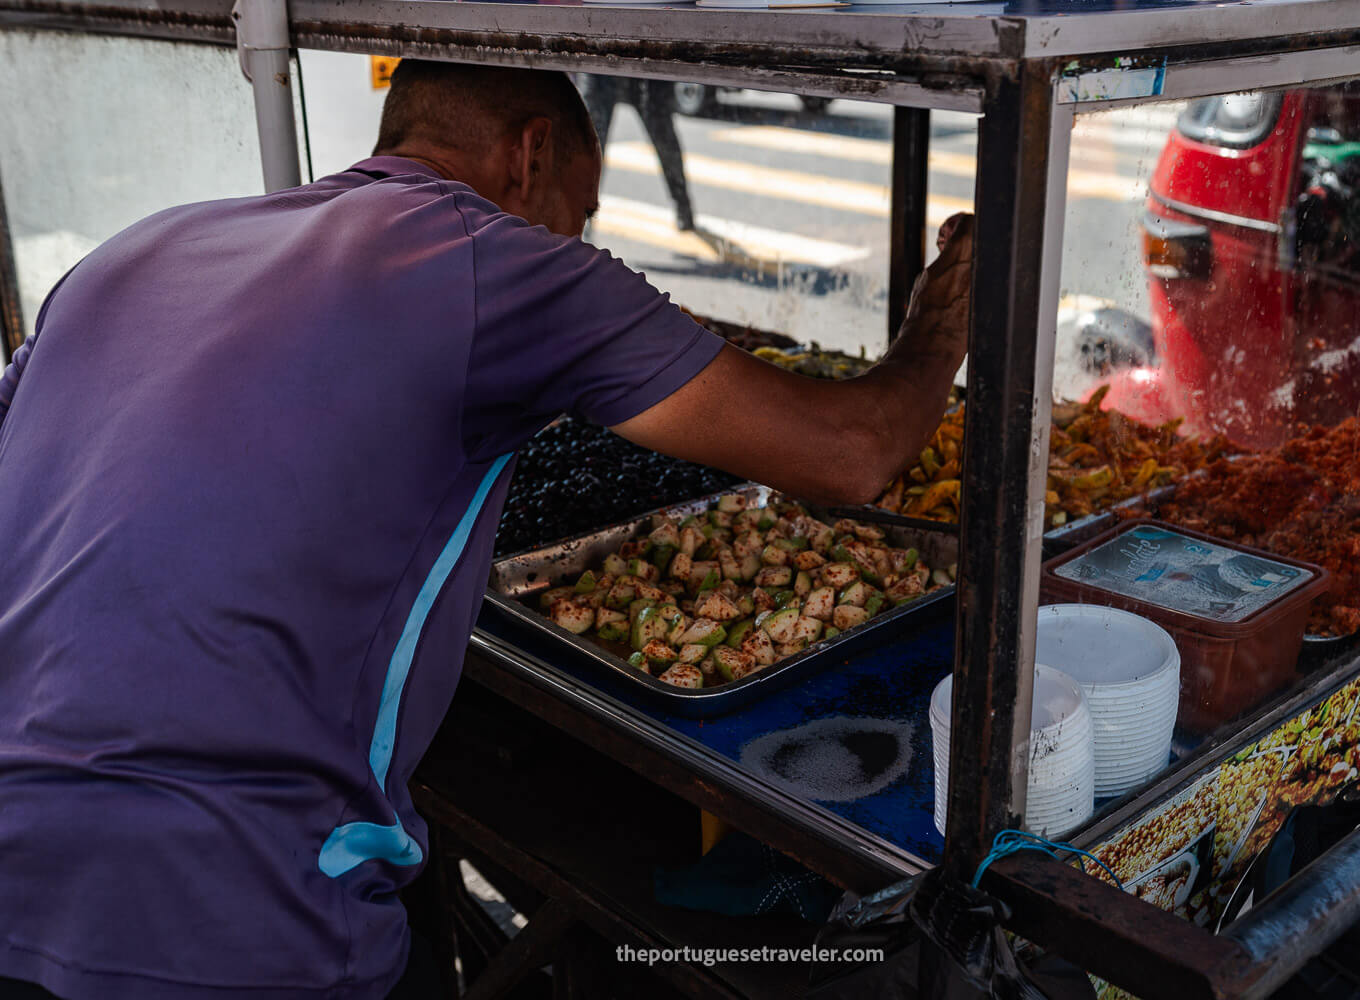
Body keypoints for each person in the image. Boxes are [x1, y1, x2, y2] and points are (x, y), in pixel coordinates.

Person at [0, 60, 971, 1000]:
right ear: (530, 156)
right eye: (579, 217)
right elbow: (854, 454)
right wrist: (943, 317)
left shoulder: (131, 252)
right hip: (233, 911)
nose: (574, 243)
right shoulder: (493, 259)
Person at [580, 74, 697, 231]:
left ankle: (683, 206)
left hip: (643, 68)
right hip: (603, 67)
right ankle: (582, 217)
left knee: (663, 137)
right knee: (591, 143)